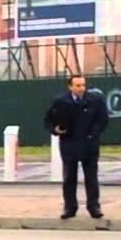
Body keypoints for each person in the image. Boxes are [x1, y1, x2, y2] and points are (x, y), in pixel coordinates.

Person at [44, 74, 109, 219]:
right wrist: (56, 130)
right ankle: (70, 207)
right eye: (78, 86)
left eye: (83, 85)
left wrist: (94, 133)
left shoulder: (94, 100)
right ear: (70, 87)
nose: (81, 89)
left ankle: (93, 206)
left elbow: (103, 119)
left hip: (89, 144)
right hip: (69, 144)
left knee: (91, 177)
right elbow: (48, 119)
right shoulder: (61, 101)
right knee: (69, 177)